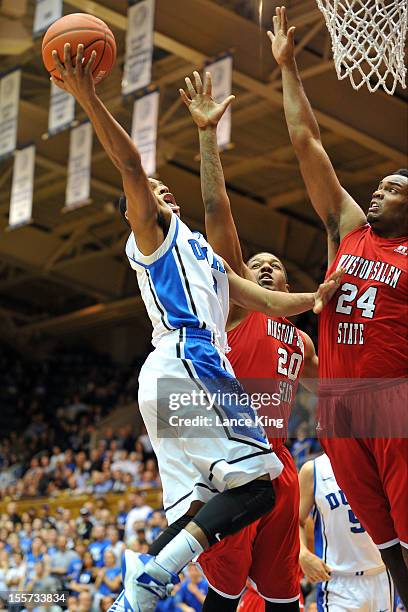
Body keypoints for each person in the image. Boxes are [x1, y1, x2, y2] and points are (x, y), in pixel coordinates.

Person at [51, 43, 341, 612]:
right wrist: (89, 96)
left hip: (173, 381)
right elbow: (133, 167)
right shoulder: (152, 237)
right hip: (190, 361)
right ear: (138, 212)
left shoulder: (205, 257)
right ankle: (152, 577)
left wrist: (317, 295)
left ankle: (133, 593)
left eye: (161, 189)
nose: (160, 189)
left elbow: (265, 295)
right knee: (259, 486)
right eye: (151, 192)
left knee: (202, 512)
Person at [269, 5, 408, 604]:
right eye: (380, 185)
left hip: (391, 404)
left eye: (395, 188)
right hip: (338, 413)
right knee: (387, 545)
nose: (379, 190)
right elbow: (307, 142)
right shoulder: (347, 231)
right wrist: (287, 69)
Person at [180, 70, 318, 611]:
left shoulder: (302, 341)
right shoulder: (240, 307)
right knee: (225, 589)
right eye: (252, 264)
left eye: (272, 265)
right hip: (235, 455)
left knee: (282, 595)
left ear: (284, 285)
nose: (259, 267)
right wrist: (206, 138)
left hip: (281, 461)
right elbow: (218, 214)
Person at [299, 453, 393, 610]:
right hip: (338, 582)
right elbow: (296, 520)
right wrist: (302, 553)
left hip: (382, 576)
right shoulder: (313, 470)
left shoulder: (379, 461)